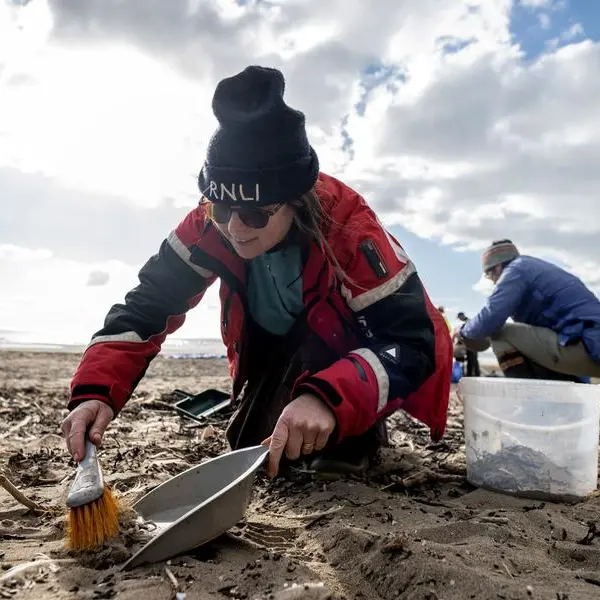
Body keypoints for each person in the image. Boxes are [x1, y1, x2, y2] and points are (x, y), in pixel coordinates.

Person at [61, 65, 452, 479]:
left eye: (254, 213)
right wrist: (93, 393)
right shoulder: (207, 225)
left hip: (345, 352)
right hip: (271, 350)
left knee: (319, 457)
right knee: (251, 445)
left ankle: (357, 428)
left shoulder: (350, 230)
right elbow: (147, 306)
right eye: (221, 207)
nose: (234, 228)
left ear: (297, 201)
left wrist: (327, 399)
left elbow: (412, 344)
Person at [454, 239, 600, 381]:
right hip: (589, 343)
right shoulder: (532, 268)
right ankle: (560, 399)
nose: (492, 281)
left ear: (497, 267)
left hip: (588, 345)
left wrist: (462, 330)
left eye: (489, 274)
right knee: (527, 340)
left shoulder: (516, 270)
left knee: (501, 334)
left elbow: (490, 318)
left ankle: (527, 401)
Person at [456, 312, 480, 377]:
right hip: (470, 345)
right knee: (473, 360)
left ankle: (472, 375)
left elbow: (466, 334)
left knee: (472, 360)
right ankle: (474, 374)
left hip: (472, 345)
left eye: (460, 317)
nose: (459, 319)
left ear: (462, 316)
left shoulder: (469, 322)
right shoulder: (467, 322)